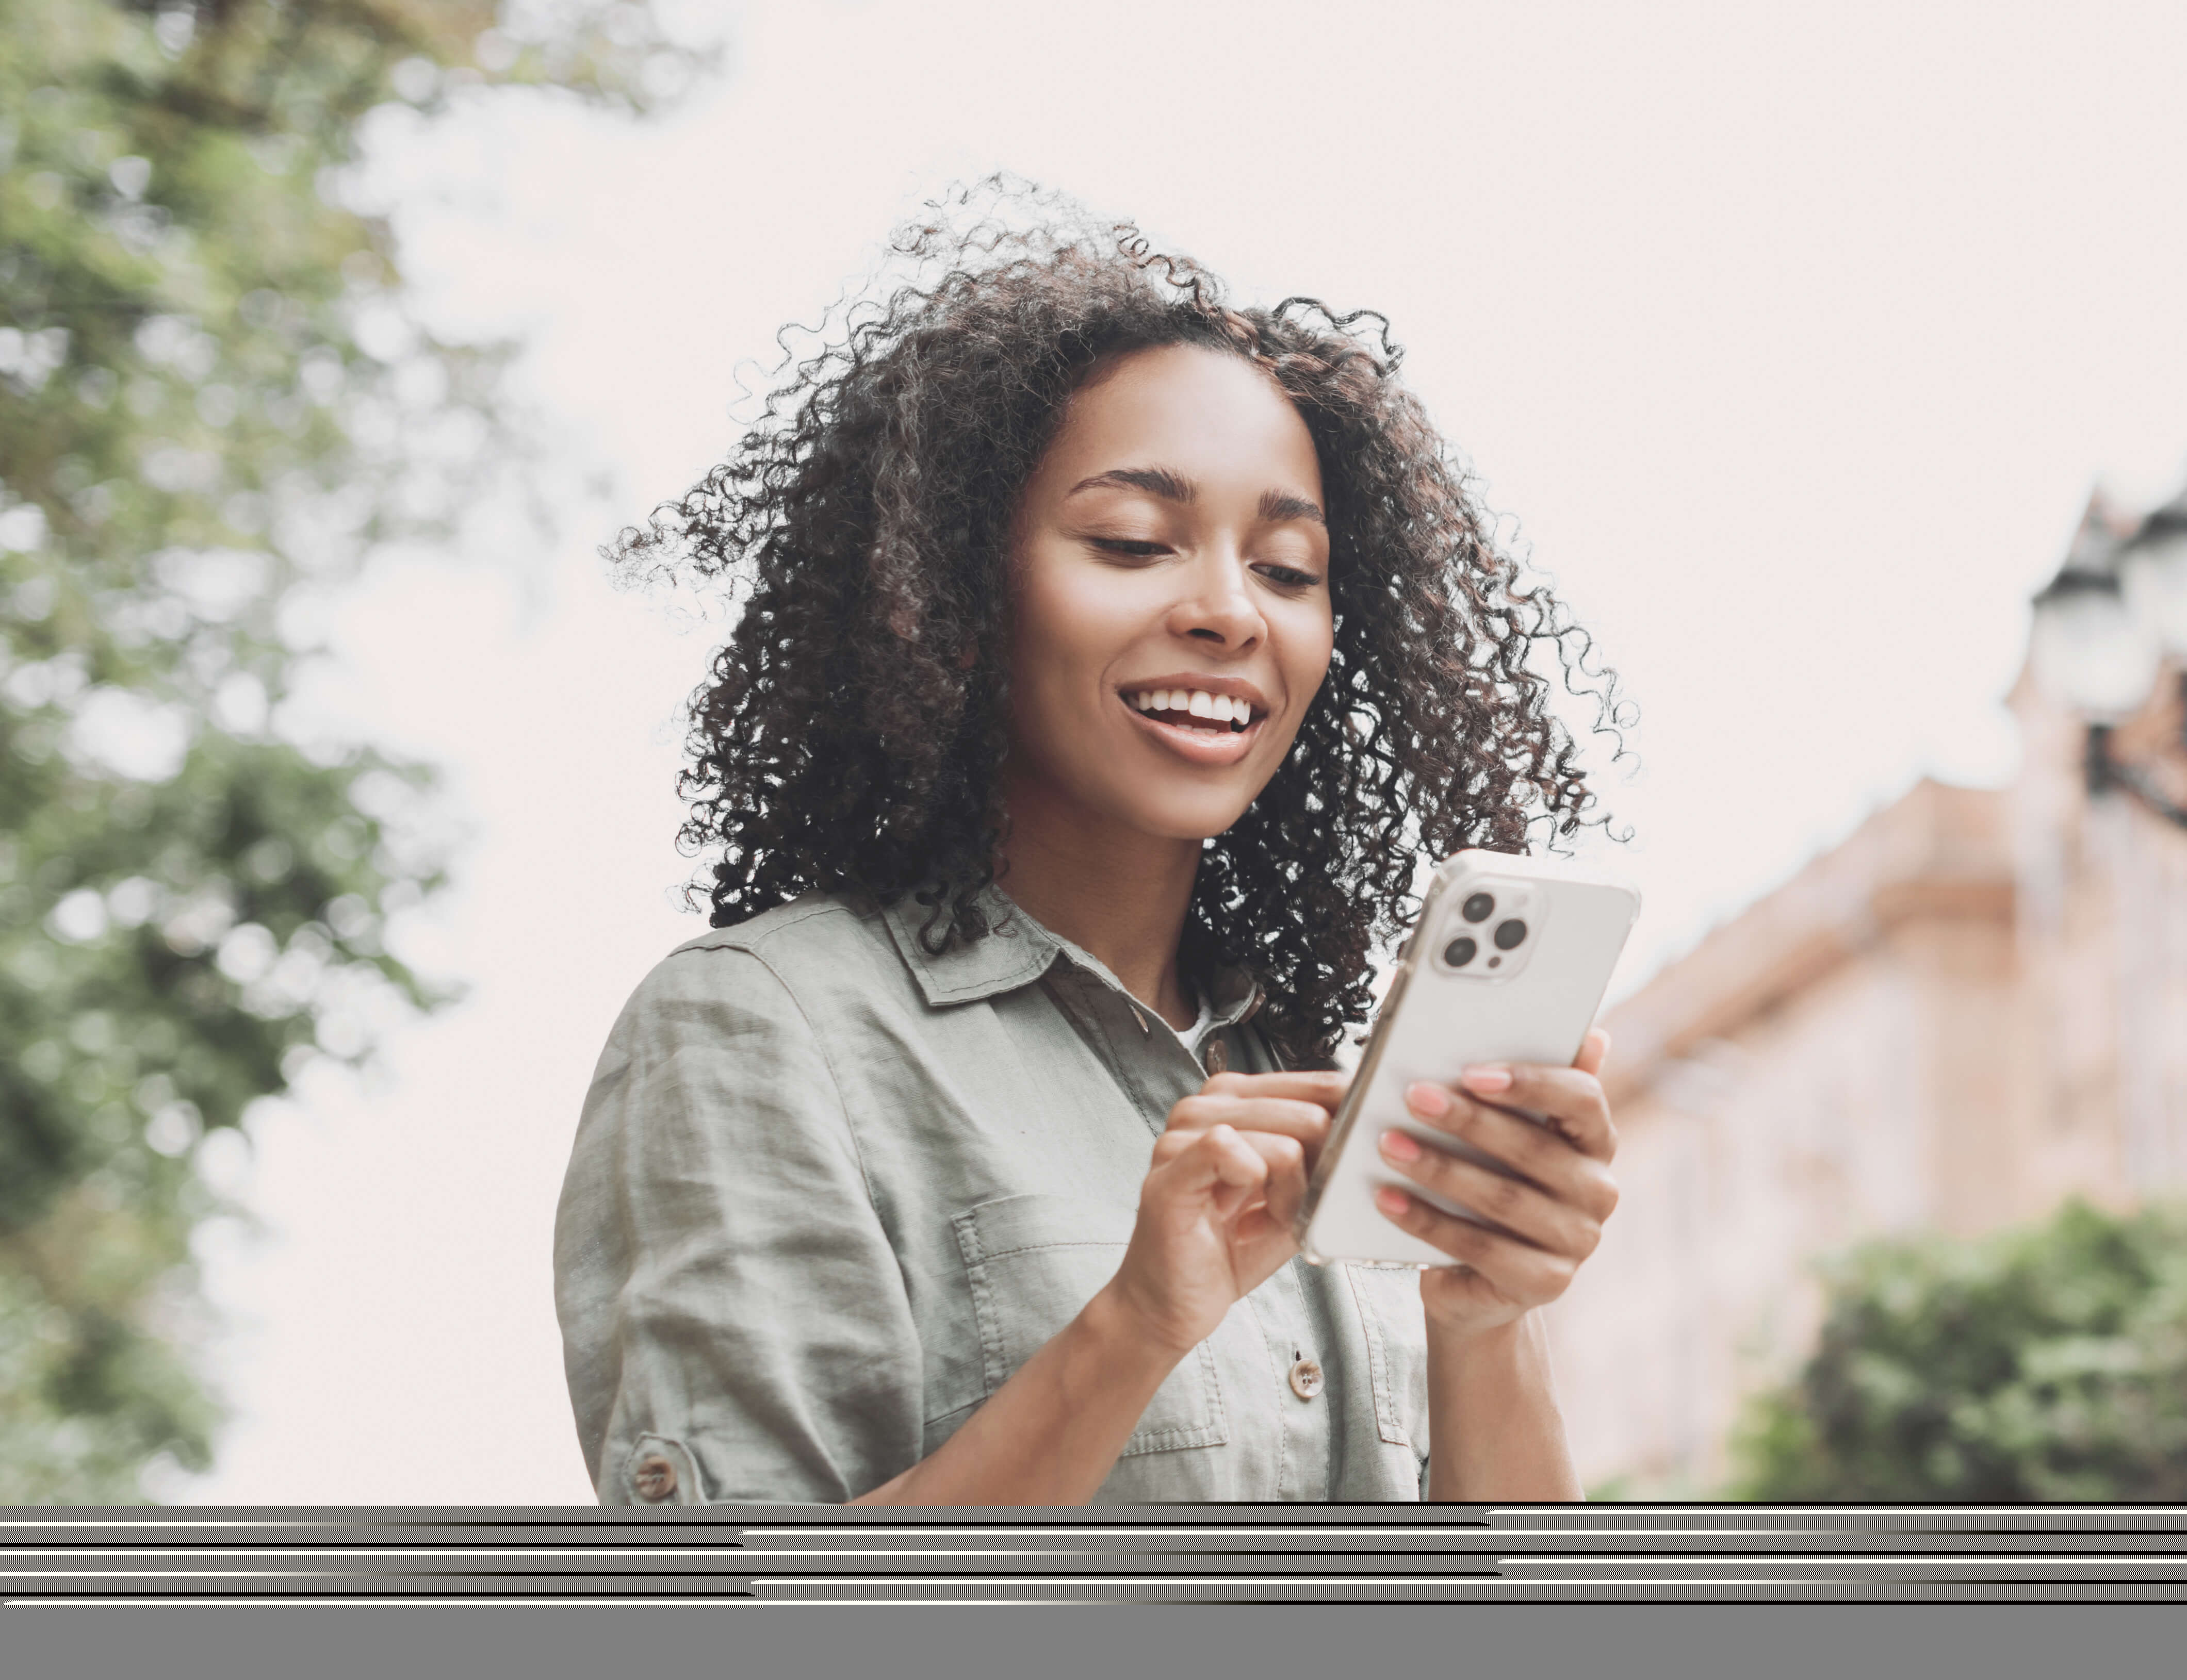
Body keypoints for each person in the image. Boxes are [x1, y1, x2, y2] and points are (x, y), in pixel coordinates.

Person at [553, 188, 1627, 1504]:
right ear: (947, 595)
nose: (1232, 612)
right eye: (1132, 543)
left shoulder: (1306, 1085)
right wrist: (1129, 1332)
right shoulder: (765, 1029)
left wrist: (1481, 1317)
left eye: (1289, 571)